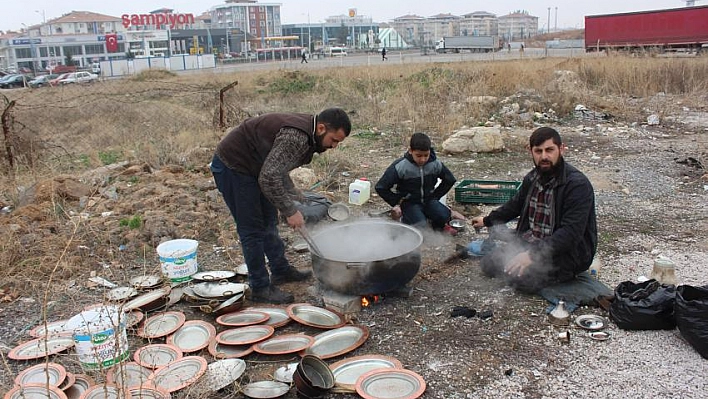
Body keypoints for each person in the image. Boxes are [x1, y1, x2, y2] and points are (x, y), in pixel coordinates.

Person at [211, 108, 352, 304]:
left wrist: (292, 191)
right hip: (235, 167)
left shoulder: (309, 133)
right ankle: (260, 287)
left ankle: (280, 270)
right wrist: (290, 210)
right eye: (334, 140)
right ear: (321, 128)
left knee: (269, 221)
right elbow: (269, 177)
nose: (334, 146)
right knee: (252, 230)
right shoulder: (296, 138)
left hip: (256, 168)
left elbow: (277, 164)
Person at [471, 127, 597, 293]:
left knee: (522, 280)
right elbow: (515, 205)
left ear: (561, 149)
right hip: (532, 241)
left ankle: (563, 273)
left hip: (567, 252)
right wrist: (487, 220)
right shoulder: (532, 177)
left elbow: (570, 234)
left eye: (549, 150)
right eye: (538, 151)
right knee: (489, 264)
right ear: (530, 151)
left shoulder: (577, 185)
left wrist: (531, 255)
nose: (544, 156)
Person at [375, 132, 457, 234]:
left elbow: (449, 180)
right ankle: (403, 220)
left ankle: (438, 226)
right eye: (418, 155)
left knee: (444, 215)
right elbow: (381, 187)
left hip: (429, 199)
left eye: (426, 155)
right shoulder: (401, 167)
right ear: (410, 151)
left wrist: (436, 196)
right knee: (420, 226)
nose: (422, 159)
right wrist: (397, 202)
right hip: (409, 202)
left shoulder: (435, 164)